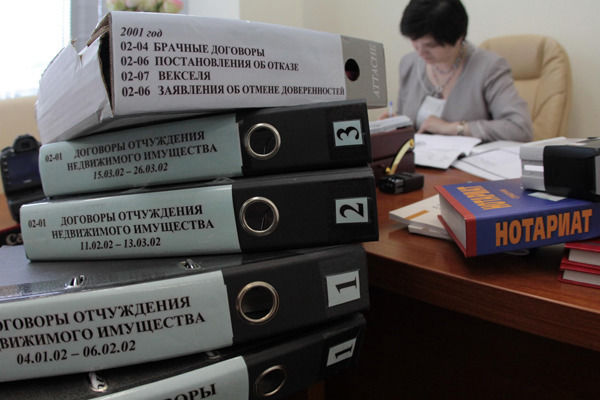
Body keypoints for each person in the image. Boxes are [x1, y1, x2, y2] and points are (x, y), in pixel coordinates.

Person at [389, 0, 533, 142]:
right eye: (415, 43)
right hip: (420, 156)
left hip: (470, 157)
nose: (420, 52)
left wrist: (453, 128)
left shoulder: (489, 67)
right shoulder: (409, 64)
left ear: (459, 38)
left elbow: (520, 129)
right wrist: (395, 125)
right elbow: (408, 121)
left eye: (431, 45)